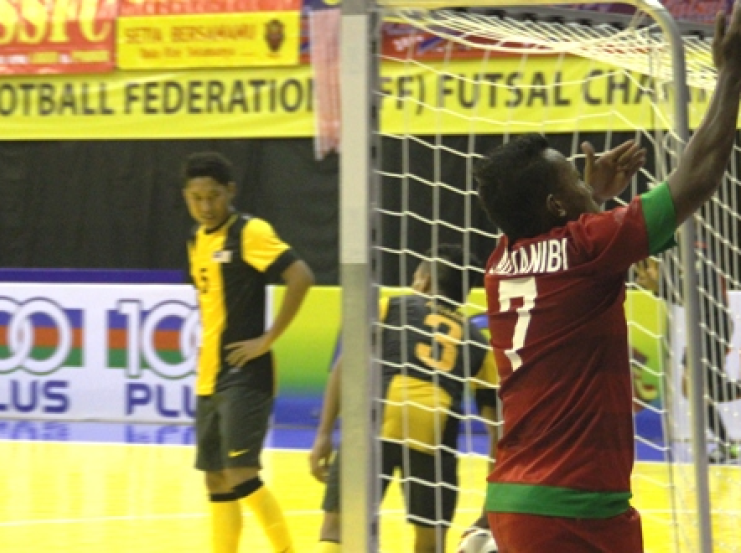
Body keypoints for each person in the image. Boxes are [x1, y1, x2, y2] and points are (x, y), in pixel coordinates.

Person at [474, 6, 741, 550]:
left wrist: (590, 196)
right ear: (556, 206)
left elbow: (558, 252)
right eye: (574, 180)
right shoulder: (587, 245)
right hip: (576, 507)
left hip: (517, 501)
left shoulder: (500, 261)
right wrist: (732, 73)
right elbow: (698, 177)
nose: (585, 184)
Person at [308, 245, 500, 553]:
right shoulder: (478, 342)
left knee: (336, 528)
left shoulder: (392, 307)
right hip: (434, 435)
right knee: (429, 544)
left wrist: (323, 434)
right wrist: (492, 504)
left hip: (379, 424)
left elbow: (346, 366)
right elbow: (498, 431)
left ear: (424, 281)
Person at [182, 151, 314, 553]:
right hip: (209, 374)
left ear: (231, 191)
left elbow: (301, 277)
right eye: (197, 198)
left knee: (240, 471)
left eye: (214, 197)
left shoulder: (250, 232)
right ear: (186, 197)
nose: (206, 207)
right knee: (216, 478)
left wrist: (267, 339)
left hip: (245, 372)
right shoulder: (195, 239)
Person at [635, 249, 741, 464]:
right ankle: (726, 444)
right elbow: (687, 297)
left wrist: (660, 286)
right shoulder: (681, 255)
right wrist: (658, 287)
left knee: (700, 390)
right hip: (700, 326)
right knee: (690, 389)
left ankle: (727, 445)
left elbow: (694, 294)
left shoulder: (700, 252)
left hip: (713, 325)